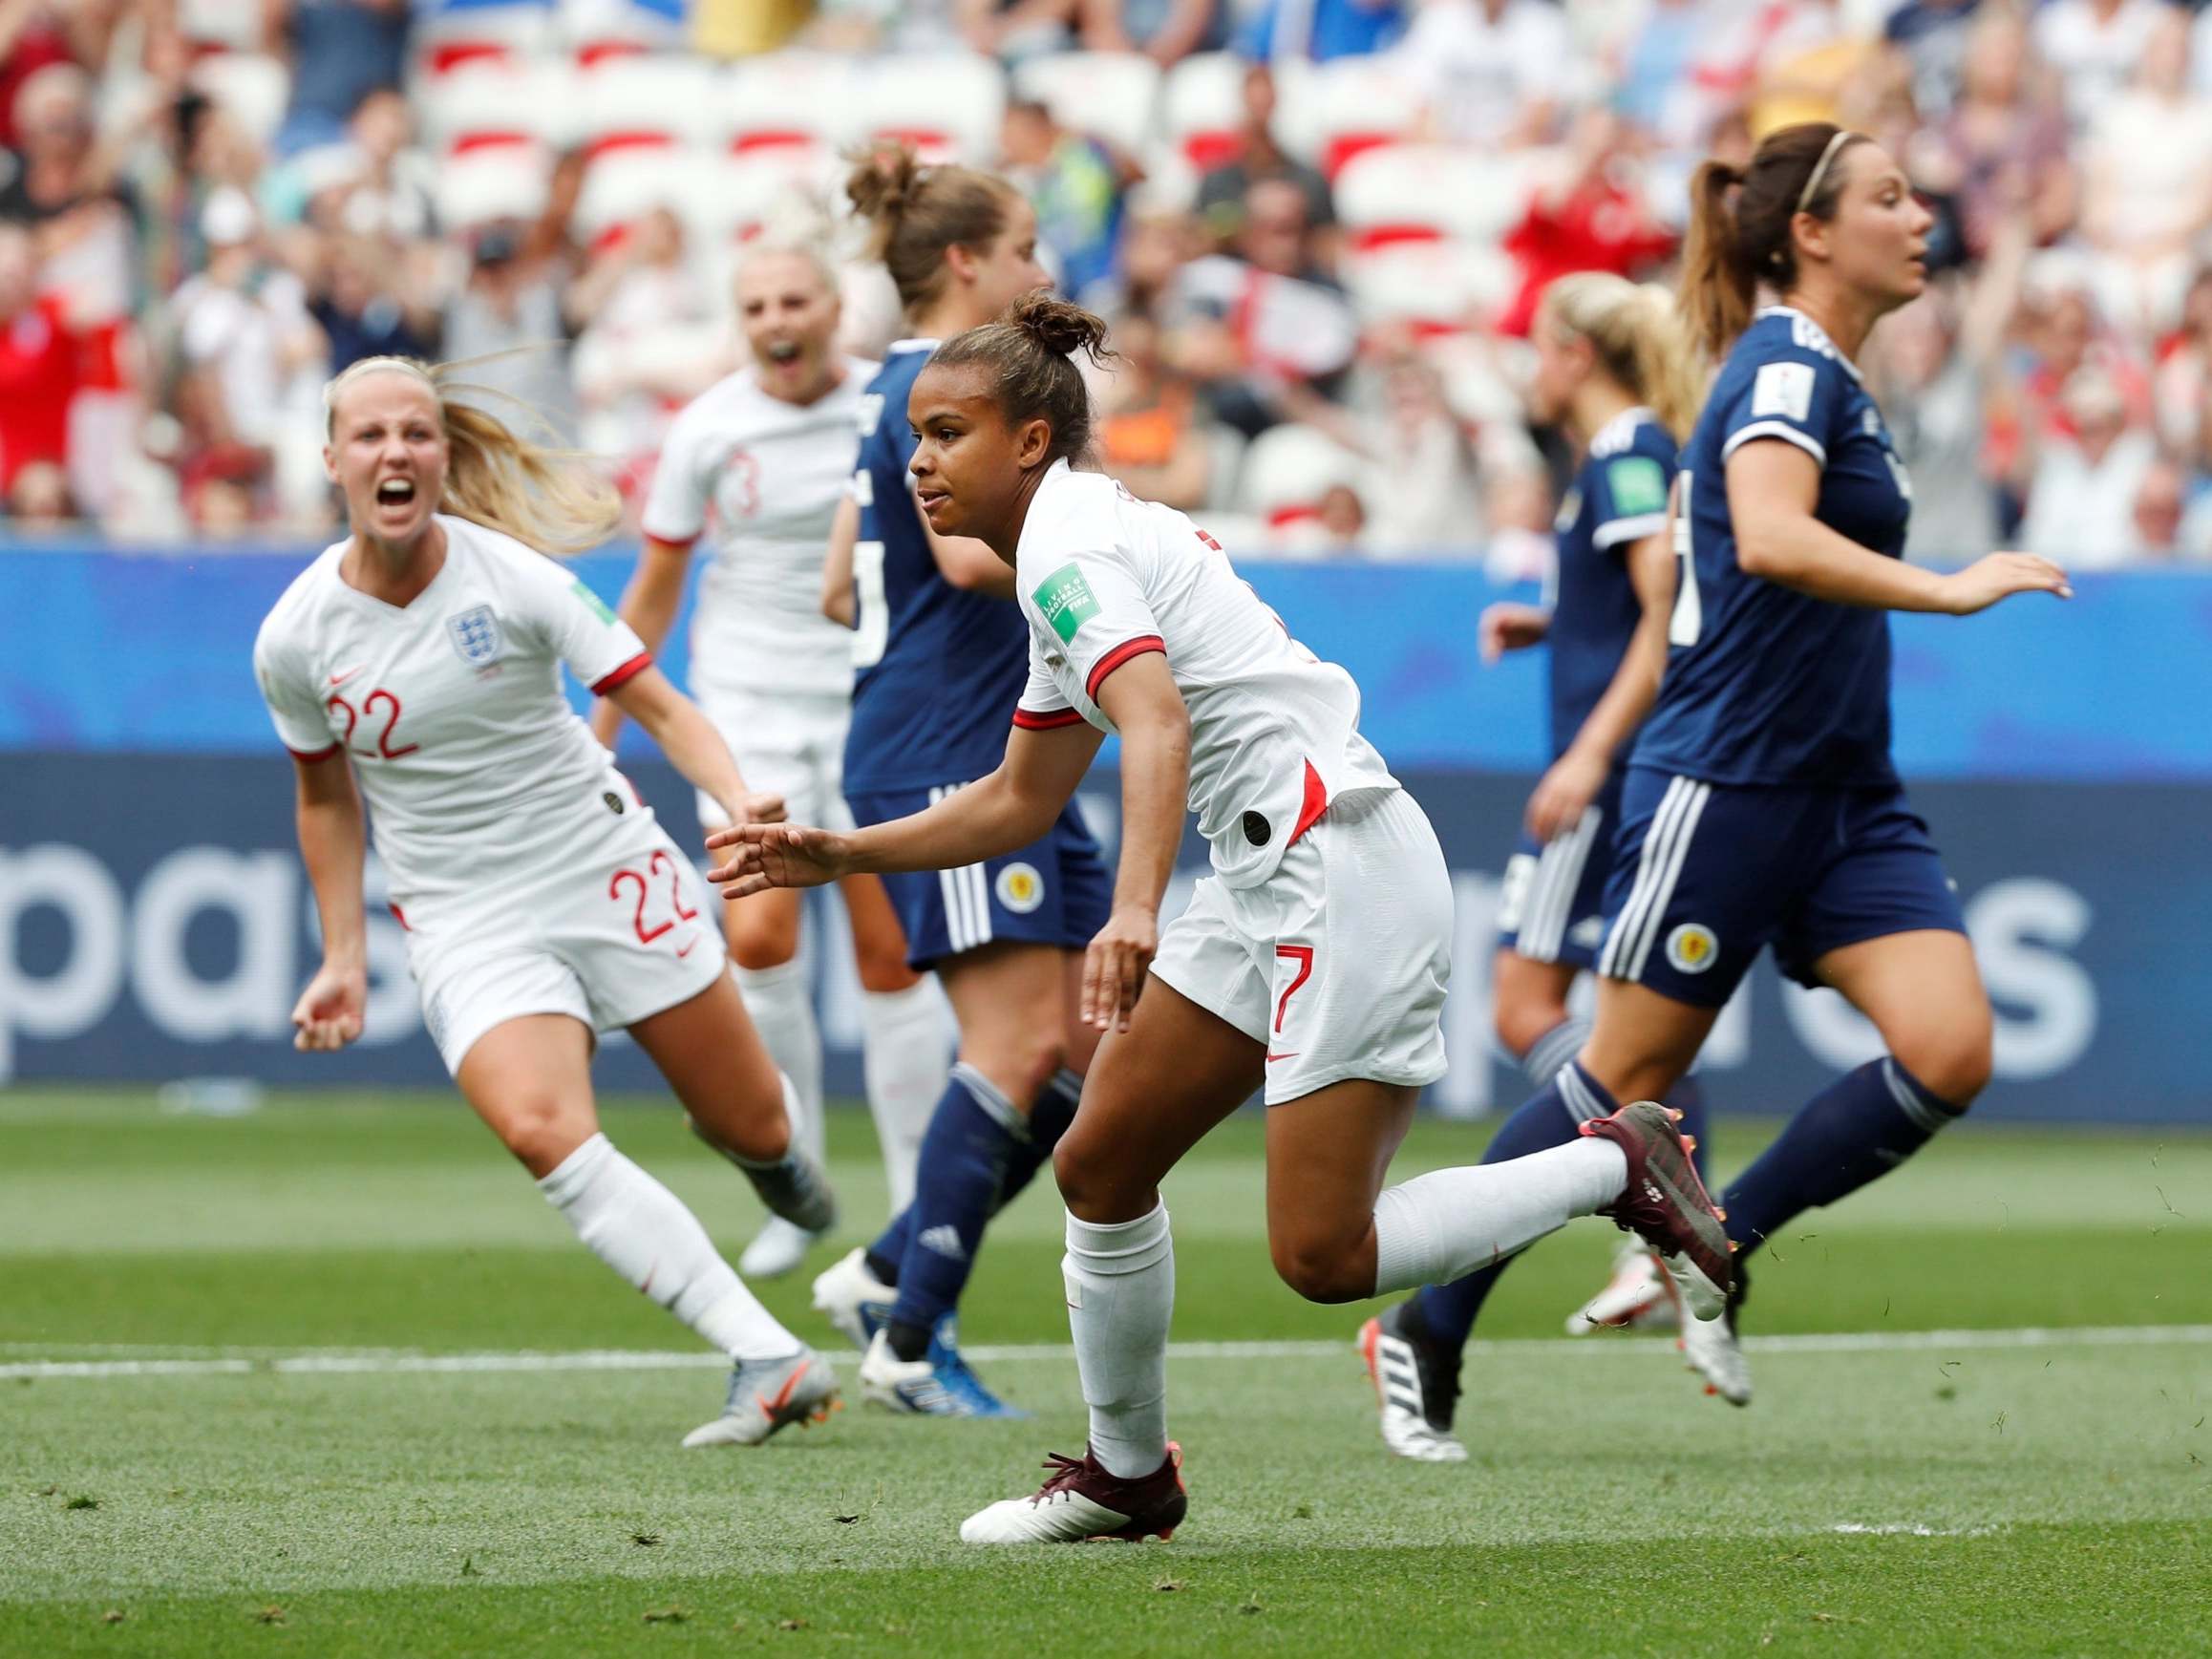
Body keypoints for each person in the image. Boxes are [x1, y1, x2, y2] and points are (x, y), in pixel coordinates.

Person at [711, 294, 1733, 1543]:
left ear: (1030, 442)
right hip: (1274, 870)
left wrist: (1133, 909)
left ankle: (1612, 1164)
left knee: (1323, 1255)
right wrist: (840, 853)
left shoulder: (1069, 553)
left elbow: (1156, 723)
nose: (917, 460)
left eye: (947, 432)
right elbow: (1022, 794)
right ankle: (1127, 1475)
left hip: (1331, 866)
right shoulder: (1069, 552)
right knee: (1099, 1161)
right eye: (916, 435)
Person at [1471, 123, 2067, 1417]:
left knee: (1951, 1047)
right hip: (1734, 778)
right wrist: (1949, 587)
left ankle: (1712, 1243)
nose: (1924, 219)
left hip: (1844, 790)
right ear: (1809, 232)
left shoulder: (1827, 376)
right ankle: (1422, 1314)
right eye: (1892, 198)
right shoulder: (1791, 364)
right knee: (1610, 1081)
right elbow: (1774, 535)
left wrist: (1554, 622)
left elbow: (1709, 560)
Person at [253, 354, 840, 1449]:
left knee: (748, 1123)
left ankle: (789, 1180)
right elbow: (325, 797)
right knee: (540, 1128)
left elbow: (656, 704)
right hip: (463, 913)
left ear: (444, 454)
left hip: (600, 866)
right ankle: (767, 1356)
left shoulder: (511, 578)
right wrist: (341, 950)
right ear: (331, 460)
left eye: (417, 434)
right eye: (371, 436)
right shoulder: (295, 637)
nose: (396, 453)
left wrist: (737, 801)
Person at [1357, 271, 1714, 1463]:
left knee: (1532, 1011)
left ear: (1575, 352)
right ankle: (1651, 1174)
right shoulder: (1626, 454)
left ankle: (1638, 1175)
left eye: (1538, 344)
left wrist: (1590, 755)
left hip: (1608, 776)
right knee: (1625, 1032)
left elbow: (1669, 616)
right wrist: (1550, 621)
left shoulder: (1620, 451)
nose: (1527, 362)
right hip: (1635, 773)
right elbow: (1635, 606)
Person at [802, 146, 1110, 1418]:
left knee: (1101, 1051)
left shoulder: (901, 391)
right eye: (1029, 245)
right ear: (971, 262)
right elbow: (976, 563)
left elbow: (847, 572)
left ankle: (891, 1261)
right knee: (1022, 1041)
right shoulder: (934, 395)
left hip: (997, 733)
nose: (1045, 268)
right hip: (954, 739)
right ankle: (909, 1334)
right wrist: (1119, 533)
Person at [591, 239, 947, 1277]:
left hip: (868, 699)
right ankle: (798, 1183)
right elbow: (656, 587)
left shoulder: (887, 405)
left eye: (795, 299)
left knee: (891, 955)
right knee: (756, 939)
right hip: (745, 704)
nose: (776, 320)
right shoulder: (706, 427)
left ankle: (923, 1203)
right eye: (755, 305)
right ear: (737, 319)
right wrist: (603, 729)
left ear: (836, 309)